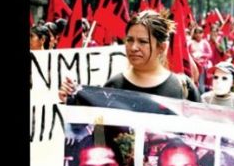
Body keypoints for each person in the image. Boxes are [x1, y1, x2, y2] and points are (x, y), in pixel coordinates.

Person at [58, 10, 200, 103]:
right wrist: (71, 99)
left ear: (161, 47)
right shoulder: (114, 85)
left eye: (142, 42)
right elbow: (92, 132)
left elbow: (203, 139)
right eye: (129, 40)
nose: (133, 47)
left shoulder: (183, 88)